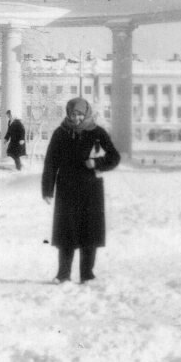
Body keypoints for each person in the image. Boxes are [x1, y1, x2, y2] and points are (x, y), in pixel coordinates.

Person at [41, 97, 120, 284]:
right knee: (66, 233)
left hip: (90, 189)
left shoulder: (97, 132)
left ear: (86, 114)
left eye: (79, 114)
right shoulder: (60, 133)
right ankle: (63, 274)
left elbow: (114, 157)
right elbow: (51, 162)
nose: (75, 117)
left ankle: (87, 275)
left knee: (89, 233)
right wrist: (47, 188)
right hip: (66, 188)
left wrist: (97, 162)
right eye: (72, 113)